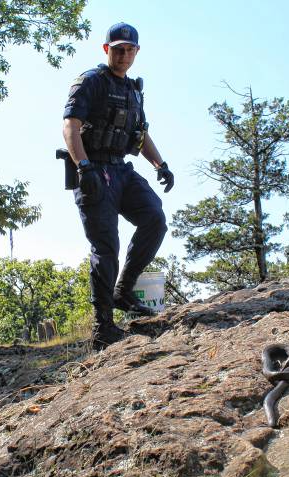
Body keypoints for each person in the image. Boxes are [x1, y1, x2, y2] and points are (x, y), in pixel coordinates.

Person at [62, 22, 175, 351]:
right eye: (118, 49)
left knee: (155, 218)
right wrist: (83, 167)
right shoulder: (91, 82)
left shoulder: (134, 91)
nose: (124, 54)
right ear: (106, 49)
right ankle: (103, 327)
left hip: (121, 170)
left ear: (137, 52)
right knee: (106, 246)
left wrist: (161, 165)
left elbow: (139, 136)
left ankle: (124, 291)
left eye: (130, 49)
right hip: (93, 170)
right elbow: (70, 126)